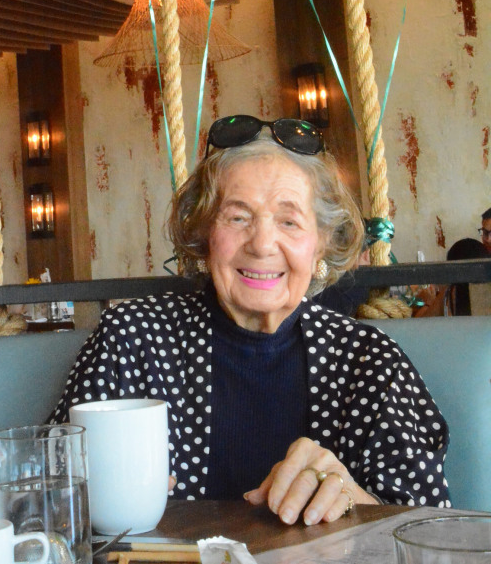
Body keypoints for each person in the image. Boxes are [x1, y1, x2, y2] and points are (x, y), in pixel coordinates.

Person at [52, 115, 450, 525]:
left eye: (289, 221)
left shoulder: (369, 360)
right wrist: (90, 498)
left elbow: (430, 531)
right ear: (206, 235)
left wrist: (352, 498)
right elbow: (50, 498)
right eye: (238, 217)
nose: (261, 244)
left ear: (320, 246)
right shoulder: (134, 339)